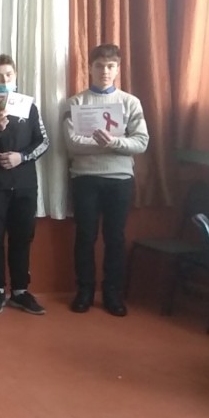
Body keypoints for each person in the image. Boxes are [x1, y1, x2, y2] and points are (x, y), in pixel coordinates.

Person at [64, 44, 149, 317]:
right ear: (90, 67)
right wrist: (111, 145)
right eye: (99, 66)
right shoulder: (76, 103)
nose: (105, 71)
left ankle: (112, 293)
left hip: (119, 179)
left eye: (110, 66)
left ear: (117, 69)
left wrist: (113, 142)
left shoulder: (130, 102)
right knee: (85, 236)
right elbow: (72, 144)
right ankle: (84, 291)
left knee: (115, 237)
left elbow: (141, 142)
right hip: (85, 178)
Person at [0, 54, 49, 316]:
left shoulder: (28, 105)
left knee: (22, 237)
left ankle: (20, 291)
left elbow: (43, 141)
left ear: (15, 76)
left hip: (24, 182)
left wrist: (21, 157)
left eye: (8, 75)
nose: (4, 80)